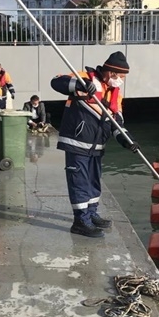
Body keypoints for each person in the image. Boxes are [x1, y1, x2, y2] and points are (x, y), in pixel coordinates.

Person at [51, 51, 140, 238]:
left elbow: (118, 124)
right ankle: (80, 221)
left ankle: (91, 214)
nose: (121, 80)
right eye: (121, 76)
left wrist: (127, 141)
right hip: (77, 142)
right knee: (79, 181)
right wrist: (80, 85)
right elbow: (56, 82)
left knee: (93, 182)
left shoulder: (116, 95)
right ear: (111, 73)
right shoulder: (85, 78)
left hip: (97, 147)